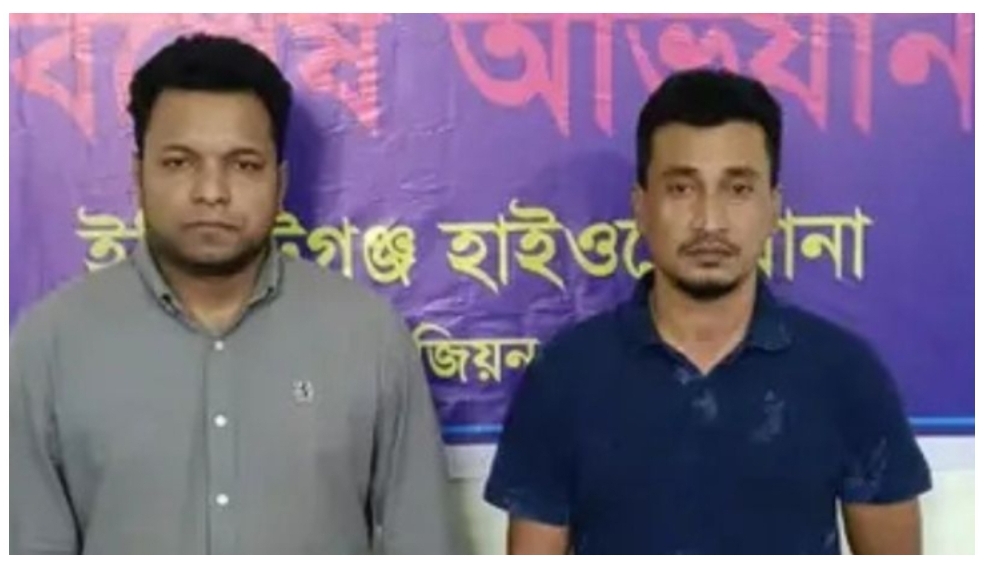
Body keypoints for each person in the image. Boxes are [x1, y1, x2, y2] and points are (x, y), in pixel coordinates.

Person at [10, 33, 458, 554]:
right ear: (137, 174)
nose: (211, 192)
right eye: (179, 162)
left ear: (280, 183)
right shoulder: (51, 346)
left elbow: (421, 543)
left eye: (243, 165)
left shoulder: (368, 339)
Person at [483, 68, 931, 554]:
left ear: (773, 208)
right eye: (681, 188)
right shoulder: (565, 375)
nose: (710, 222)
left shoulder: (845, 373)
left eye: (738, 189)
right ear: (641, 206)